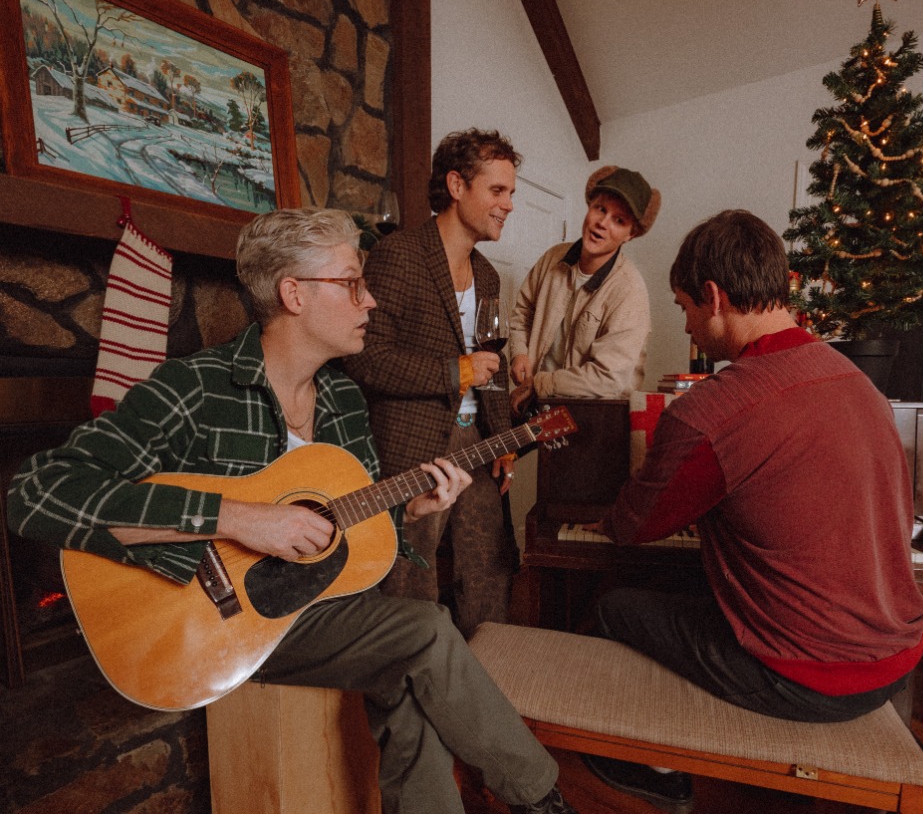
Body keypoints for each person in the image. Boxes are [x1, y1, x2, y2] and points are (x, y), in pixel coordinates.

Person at [7, 207, 576, 814]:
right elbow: (36, 491)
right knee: (429, 628)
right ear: (293, 294)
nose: (371, 302)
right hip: (215, 624)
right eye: (352, 283)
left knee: (407, 673)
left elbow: (345, 530)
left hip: (311, 606)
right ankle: (542, 798)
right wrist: (237, 518)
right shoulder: (195, 388)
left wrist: (410, 510)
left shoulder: (342, 398)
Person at [582, 209, 923, 808]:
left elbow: (636, 527)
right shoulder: (859, 383)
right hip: (901, 658)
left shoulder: (714, 408)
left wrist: (608, 519)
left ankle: (658, 774)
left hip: (811, 676)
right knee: (696, 597)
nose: (687, 324)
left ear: (714, 297)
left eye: (684, 306)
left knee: (613, 608)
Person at [343, 128, 520, 637]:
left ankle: (488, 679)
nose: (508, 204)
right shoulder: (401, 255)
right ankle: (412, 677)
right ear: (457, 185)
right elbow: (366, 358)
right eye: (498, 190)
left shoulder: (487, 275)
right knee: (408, 577)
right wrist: (453, 372)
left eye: (512, 193)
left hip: (477, 444)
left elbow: (495, 364)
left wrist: (501, 435)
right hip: (412, 449)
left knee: (489, 569)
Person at [509, 165, 659, 416]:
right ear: (589, 206)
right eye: (601, 209)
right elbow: (523, 310)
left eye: (618, 220)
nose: (602, 223)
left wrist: (539, 384)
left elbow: (607, 379)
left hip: (595, 422)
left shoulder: (630, 291)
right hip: (536, 407)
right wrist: (519, 352)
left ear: (630, 234)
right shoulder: (553, 258)